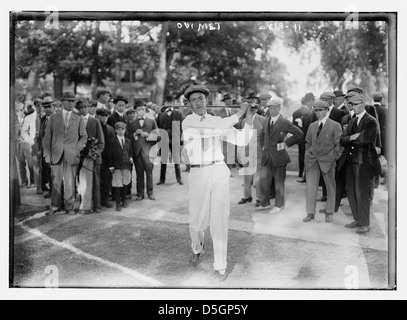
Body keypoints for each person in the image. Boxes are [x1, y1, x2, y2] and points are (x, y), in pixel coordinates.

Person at [182, 84, 254, 277]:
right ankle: (197, 247)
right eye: (193, 100)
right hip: (198, 173)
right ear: (188, 104)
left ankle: (220, 265)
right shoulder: (188, 121)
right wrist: (239, 112)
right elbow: (215, 129)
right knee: (196, 223)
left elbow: (242, 140)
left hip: (219, 170)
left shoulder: (217, 120)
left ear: (207, 100)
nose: (198, 102)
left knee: (220, 218)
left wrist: (248, 116)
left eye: (201, 99)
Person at [338, 93, 381, 234]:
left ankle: (365, 224)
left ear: (363, 104)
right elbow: (342, 140)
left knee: (363, 193)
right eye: (352, 104)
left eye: (356, 104)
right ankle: (357, 219)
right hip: (351, 161)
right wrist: (351, 137)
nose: (353, 107)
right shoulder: (352, 121)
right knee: (351, 191)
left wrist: (350, 138)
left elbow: (363, 140)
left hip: (364, 162)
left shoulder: (371, 121)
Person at [43, 92, 88, 215]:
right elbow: (47, 138)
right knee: (56, 182)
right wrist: (47, 155)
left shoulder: (78, 118)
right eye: (69, 101)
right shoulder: (53, 118)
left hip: (71, 155)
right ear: (62, 102)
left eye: (73, 101)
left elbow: (84, 137)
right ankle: (55, 206)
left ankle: (69, 207)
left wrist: (76, 149)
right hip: (56, 154)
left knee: (70, 182)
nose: (71, 103)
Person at [256, 99, 303, 213]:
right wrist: (263, 146)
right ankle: (265, 203)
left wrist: (286, 144)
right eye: (269, 108)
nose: (271, 110)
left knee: (279, 183)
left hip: (279, 157)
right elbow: (261, 135)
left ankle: (279, 205)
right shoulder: (266, 121)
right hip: (267, 156)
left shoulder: (284, 122)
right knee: (263, 181)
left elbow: (299, 133)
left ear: (279, 108)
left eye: (273, 108)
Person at [302, 100, 342, 223]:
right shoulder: (312, 126)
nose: (318, 113)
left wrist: (333, 157)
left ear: (327, 110)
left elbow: (338, 145)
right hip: (312, 160)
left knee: (330, 187)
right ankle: (310, 212)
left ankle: (329, 212)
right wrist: (308, 155)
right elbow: (308, 142)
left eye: (321, 110)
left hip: (328, 161)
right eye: (316, 110)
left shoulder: (335, 125)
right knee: (310, 188)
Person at [76, 99, 105, 214]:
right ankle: (84, 204)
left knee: (96, 182)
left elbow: (101, 142)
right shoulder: (76, 121)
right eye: (81, 108)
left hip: (93, 157)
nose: (83, 110)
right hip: (81, 156)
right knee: (82, 182)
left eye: (85, 107)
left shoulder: (95, 121)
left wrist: (95, 153)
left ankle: (97, 205)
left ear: (89, 108)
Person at [128, 100, 160, 201]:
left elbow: (158, 137)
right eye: (138, 109)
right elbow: (128, 138)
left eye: (142, 109)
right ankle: (140, 193)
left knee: (149, 173)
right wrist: (135, 135)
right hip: (137, 152)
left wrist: (148, 136)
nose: (141, 111)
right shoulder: (132, 123)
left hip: (148, 152)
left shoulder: (151, 122)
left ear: (145, 110)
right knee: (139, 174)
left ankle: (150, 192)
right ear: (136, 111)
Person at [237, 106, 266, 207]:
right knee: (247, 176)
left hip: (259, 153)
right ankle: (247, 196)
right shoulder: (244, 121)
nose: (252, 109)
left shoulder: (263, 120)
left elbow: (266, 136)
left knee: (258, 177)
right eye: (250, 108)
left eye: (254, 107)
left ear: (257, 109)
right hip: (247, 152)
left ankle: (259, 198)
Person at [156, 95, 184, 185]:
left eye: (171, 102)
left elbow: (182, 127)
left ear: (173, 103)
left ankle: (179, 179)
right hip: (164, 140)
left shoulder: (178, 113)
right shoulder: (160, 115)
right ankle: (162, 179)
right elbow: (158, 128)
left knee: (177, 160)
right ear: (165, 103)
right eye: (167, 102)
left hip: (175, 140)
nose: (169, 104)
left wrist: (180, 138)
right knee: (163, 160)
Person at [109, 122, 133, 211]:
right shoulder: (112, 141)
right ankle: (118, 202)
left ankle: (124, 200)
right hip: (117, 166)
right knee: (117, 184)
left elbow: (130, 152)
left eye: (122, 129)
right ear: (115, 130)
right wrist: (111, 165)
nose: (121, 131)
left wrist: (131, 158)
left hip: (126, 165)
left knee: (125, 183)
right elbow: (110, 154)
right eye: (118, 129)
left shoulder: (128, 141)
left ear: (125, 130)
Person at [292, 92, 314, 183]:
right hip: (307, 137)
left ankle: (301, 173)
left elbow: (293, 126)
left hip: (300, 137)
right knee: (307, 155)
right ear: (309, 101)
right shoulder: (309, 113)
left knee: (301, 155)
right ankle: (306, 174)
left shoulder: (295, 112)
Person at [96, 108, 115, 208]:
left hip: (108, 159)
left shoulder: (110, 129)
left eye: (106, 116)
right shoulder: (94, 126)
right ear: (97, 116)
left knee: (107, 181)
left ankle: (105, 199)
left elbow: (113, 145)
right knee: (97, 181)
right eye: (102, 115)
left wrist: (112, 160)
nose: (104, 118)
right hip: (97, 157)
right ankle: (97, 200)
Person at [20, 101, 41, 193]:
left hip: (45, 143)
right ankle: (38, 186)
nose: (40, 108)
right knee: (36, 165)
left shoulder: (46, 117)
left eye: (42, 106)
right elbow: (23, 131)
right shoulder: (29, 117)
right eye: (38, 106)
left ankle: (44, 184)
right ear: (35, 106)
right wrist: (29, 140)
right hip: (34, 144)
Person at [39, 96, 55, 198]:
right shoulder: (43, 119)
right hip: (45, 150)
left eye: (49, 106)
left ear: (53, 106)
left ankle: (56, 192)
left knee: (55, 172)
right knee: (47, 171)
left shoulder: (57, 118)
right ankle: (51, 189)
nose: (47, 109)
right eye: (45, 107)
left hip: (54, 151)